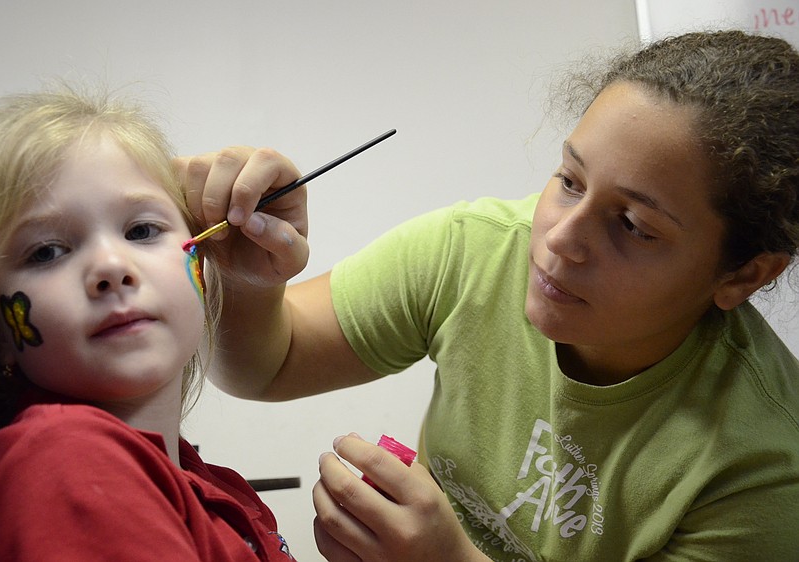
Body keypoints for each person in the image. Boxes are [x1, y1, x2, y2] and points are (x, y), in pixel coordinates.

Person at [178, 30, 799, 561]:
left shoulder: (766, 466)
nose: (559, 238)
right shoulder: (479, 252)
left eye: (633, 226)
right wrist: (250, 280)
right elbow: (269, 365)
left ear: (744, 275)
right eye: (569, 180)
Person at [0, 85, 297, 561]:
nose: (112, 267)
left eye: (141, 230)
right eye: (47, 252)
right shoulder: (66, 462)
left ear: (203, 255)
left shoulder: (218, 488)